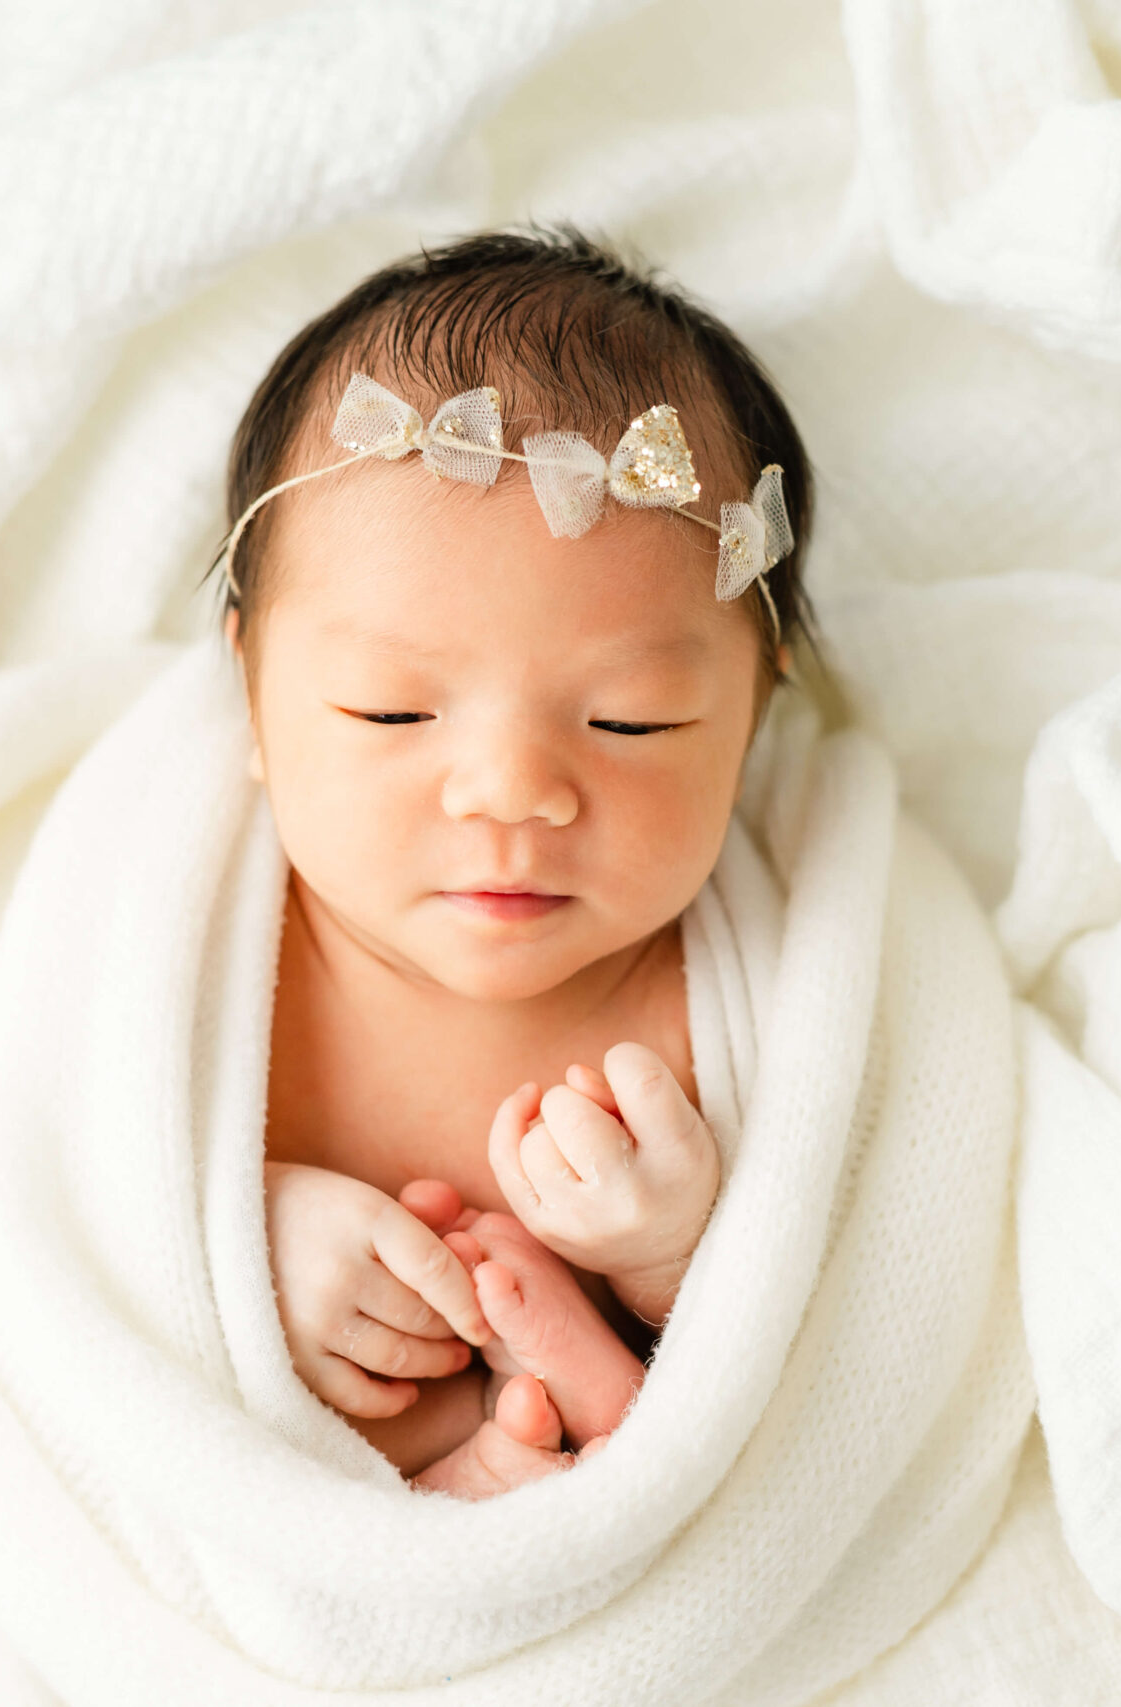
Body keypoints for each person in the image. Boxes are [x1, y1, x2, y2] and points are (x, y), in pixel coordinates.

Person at [217, 226, 816, 1498]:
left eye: (630, 723)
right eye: (391, 711)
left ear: (755, 716)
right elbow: (73, 1201)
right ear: (250, 698)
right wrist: (240, 1239)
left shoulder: (737, 1014)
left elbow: (812, 1339)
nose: (513, 791)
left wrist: (669, 1251)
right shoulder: (201, 955)